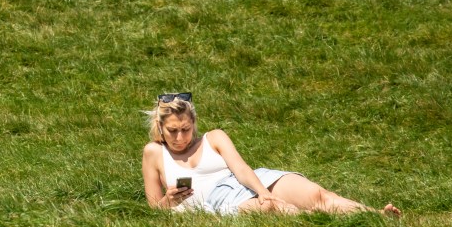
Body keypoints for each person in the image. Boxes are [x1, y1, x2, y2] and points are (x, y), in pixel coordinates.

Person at [141, 93, 401, 216]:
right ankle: (328, 222)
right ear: (161, 128)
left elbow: (242, 169)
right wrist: (170, 200)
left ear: (194, 123)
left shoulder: (214, 138)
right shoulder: (154, 153)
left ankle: (375, 216)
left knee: (317, 194)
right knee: (277, 209)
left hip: (252, 180)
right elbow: (154, 209)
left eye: (185, 129)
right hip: (217, 199)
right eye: (172, 131)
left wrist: (262, 190)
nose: (179, 137)